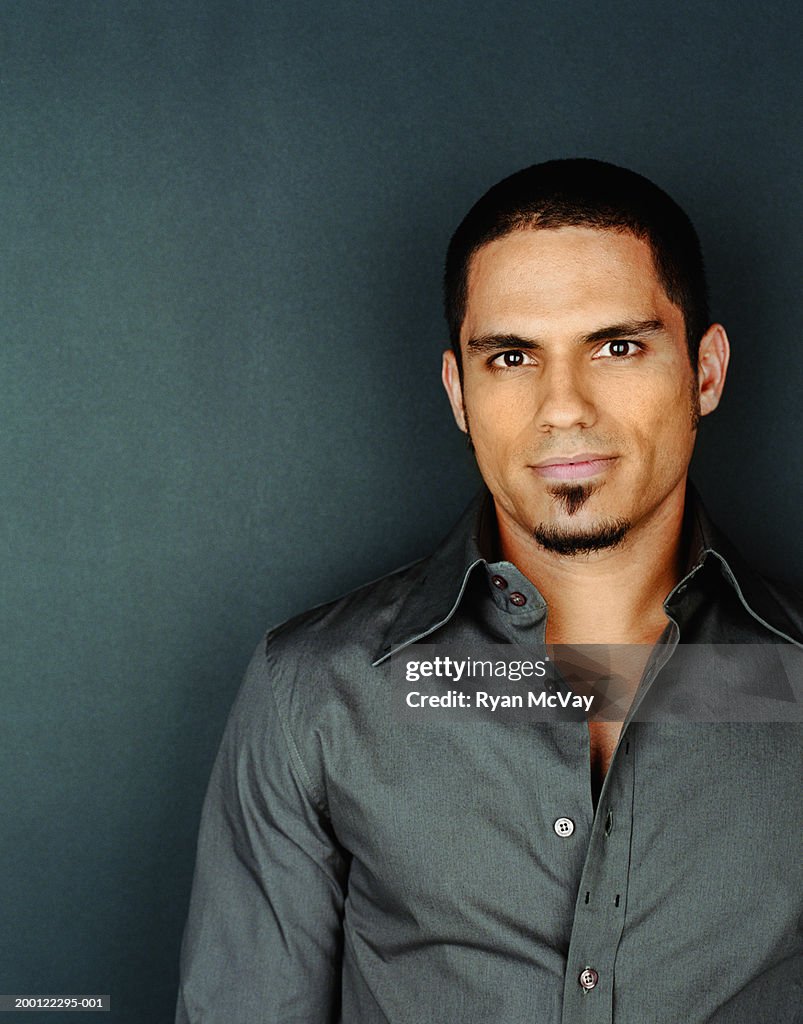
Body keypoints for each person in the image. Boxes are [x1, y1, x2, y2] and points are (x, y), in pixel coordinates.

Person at [176, 159, 802, 1023]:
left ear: (703, 370)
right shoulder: (317, 693)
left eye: (616, 346)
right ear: (458, 393)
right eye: (511, 356)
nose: (562, 407)